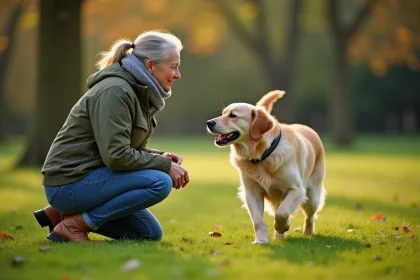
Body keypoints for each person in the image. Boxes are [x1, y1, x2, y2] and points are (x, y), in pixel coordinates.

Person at [33, 30, 189, 242]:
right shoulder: (116, 90)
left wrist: (162, 157)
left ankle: (61, 215)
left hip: (89, 179)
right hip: (68, 183)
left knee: (148, 233)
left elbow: (127, 147)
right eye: (174, 67)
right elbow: (116, 155)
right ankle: (74, 225)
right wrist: (164, 166)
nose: (178, 75)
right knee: (160, 182)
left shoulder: (138, 90)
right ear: (151, 65)